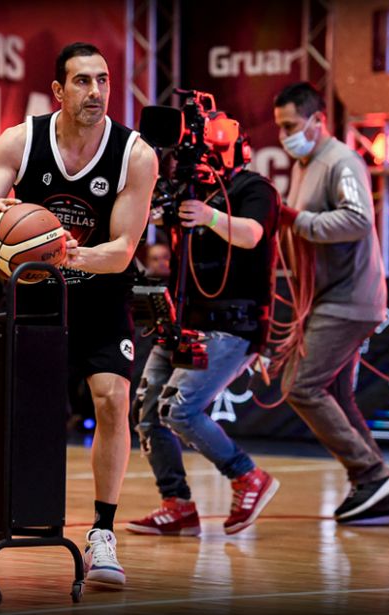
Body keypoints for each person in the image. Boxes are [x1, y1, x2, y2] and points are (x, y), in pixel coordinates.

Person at [0, 42, 157, 587]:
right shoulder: (20, 141)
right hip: (34, 296)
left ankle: (102, 534)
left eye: (103, 80)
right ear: (58, 90)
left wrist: (59, 251)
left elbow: (122, 250)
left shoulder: (135, 154)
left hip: (100, 297)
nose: (95, 91)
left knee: (113, 399)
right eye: (82, 81)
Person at [273, 81, 389, 525]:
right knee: (334, 392)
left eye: (290, 125)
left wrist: (299, 219)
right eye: (279, 127)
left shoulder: (341, 161)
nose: (284, 135)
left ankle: (370, 475)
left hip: (349, 298)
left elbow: (358, 219)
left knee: (301, 386)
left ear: (318, 120)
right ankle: (382, 488)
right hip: (330, 297)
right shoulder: (306, 164)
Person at [127, 149, 281, 538]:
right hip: (184, 319)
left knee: (179, 410)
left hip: (232, 323)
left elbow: (252, 234)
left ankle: (247, 475)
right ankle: (176, 504)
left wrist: (209, 216)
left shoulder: (254, 188)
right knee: (147, 411)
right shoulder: (187, 191)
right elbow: (151, 217)